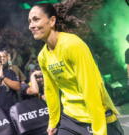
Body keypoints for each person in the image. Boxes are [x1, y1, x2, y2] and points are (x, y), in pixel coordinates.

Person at [28, 3, 123, 135]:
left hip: (95, 117)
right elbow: (51, 91)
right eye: (29, 21)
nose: (31, 25)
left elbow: (91, 87)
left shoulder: (72, 45)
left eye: (36, 19)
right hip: (70, 119)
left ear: (52, 21)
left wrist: (99, 130)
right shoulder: (42, 56)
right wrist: (53, 121)